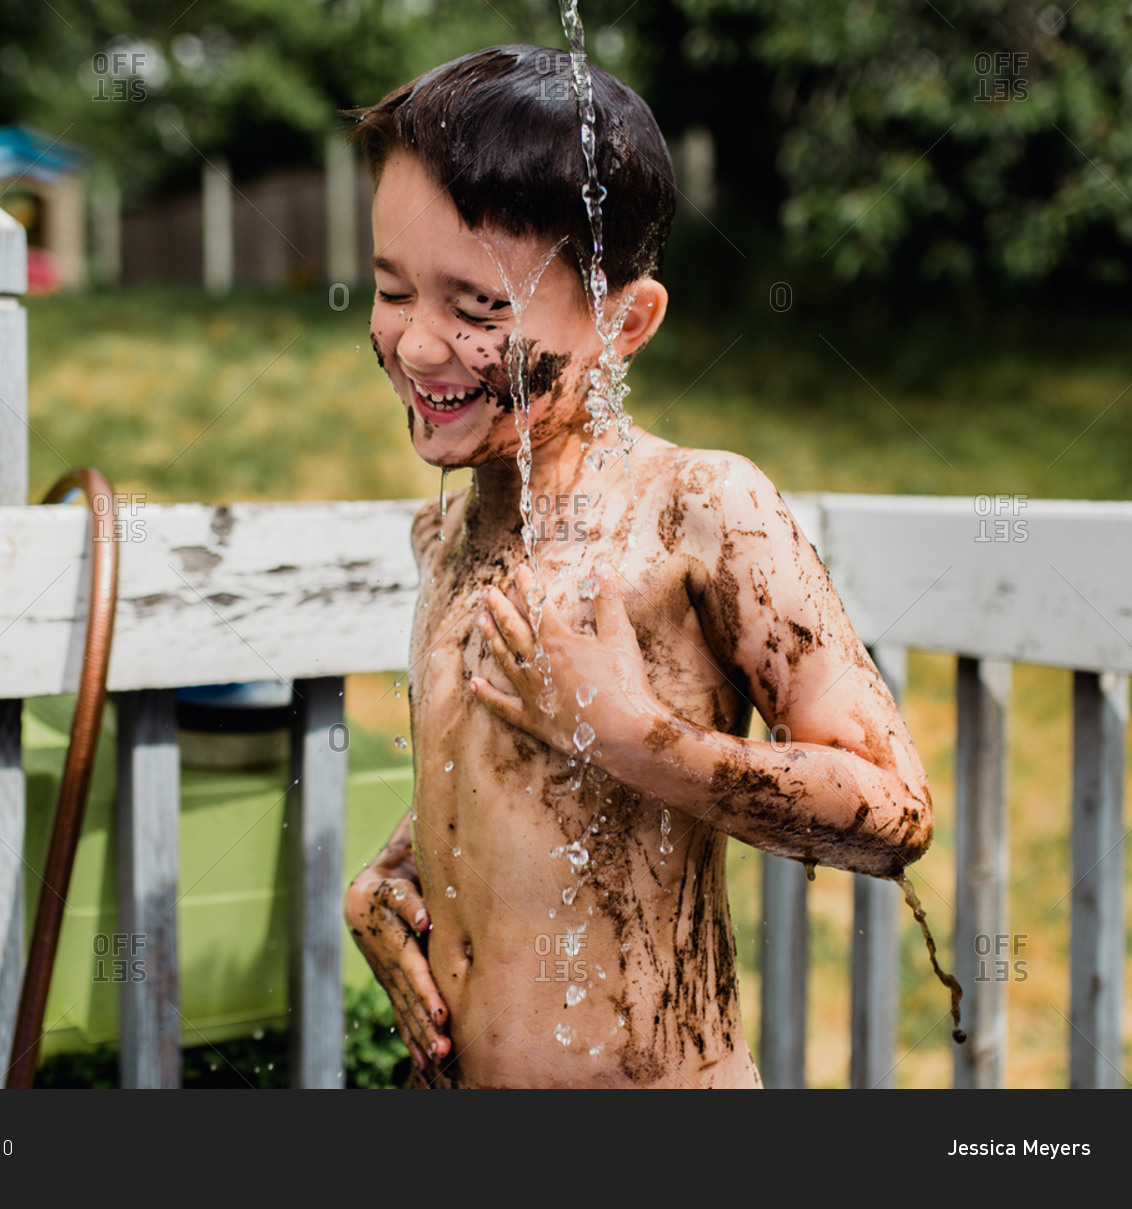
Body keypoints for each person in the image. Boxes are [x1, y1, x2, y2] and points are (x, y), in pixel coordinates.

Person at [342, 45, 933, 1088]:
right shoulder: (457, 523)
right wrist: (409, 862)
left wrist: (633, 734)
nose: (420, 346)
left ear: (622, 324)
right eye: (393, 292)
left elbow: (893, 809)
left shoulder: (698, 512)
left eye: (478, 311)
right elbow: (543, 775)